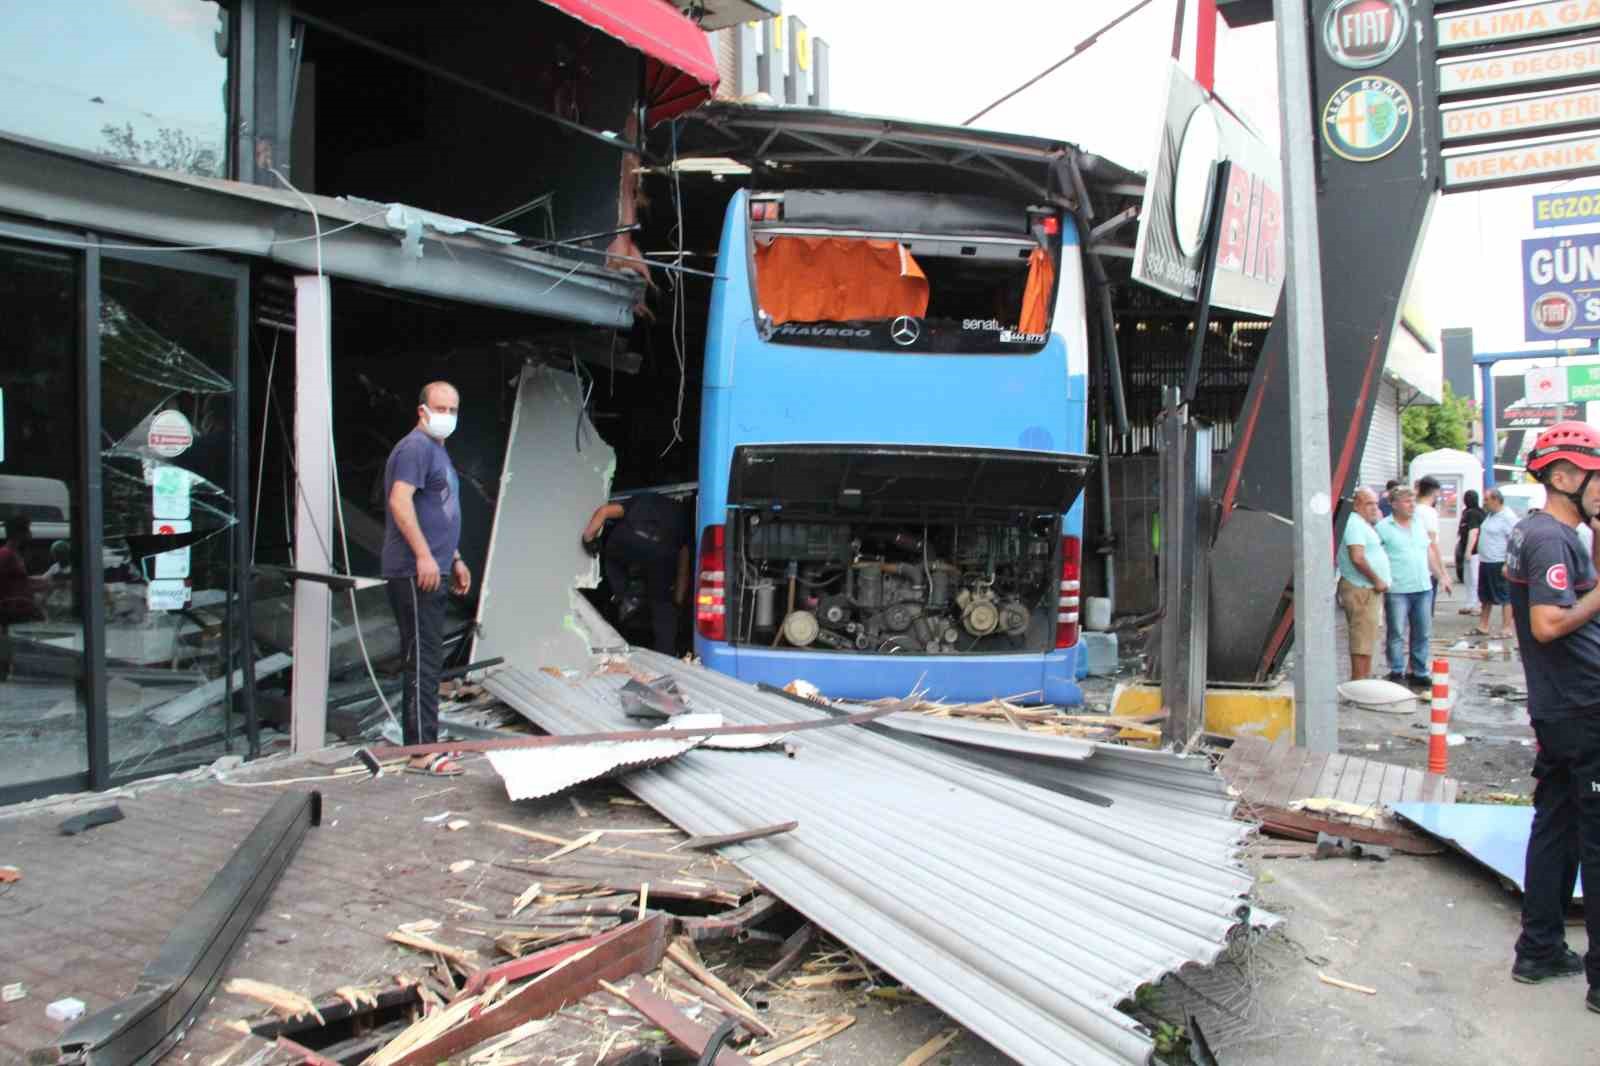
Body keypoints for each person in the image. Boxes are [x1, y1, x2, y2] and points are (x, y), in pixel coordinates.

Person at [1504, 421, 1600, 1001]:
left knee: (1557, 825)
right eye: (1596, 477)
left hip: (1561, 707)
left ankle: (1539, 950)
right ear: (1563, 477)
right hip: (1584, 704)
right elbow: (1547, 624)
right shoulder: (1549, 540)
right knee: (1593, 838)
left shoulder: (1551, 531)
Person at [382, 381, 470, 777]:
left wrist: (454, 558)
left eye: (453, 410)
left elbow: (438, 510)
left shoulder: (438, 451)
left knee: (428, 659)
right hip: (414, 571)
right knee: (422, 661)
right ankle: (422, 753)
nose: (447, 416)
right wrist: (422, 555)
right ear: (422, 410)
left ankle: (426, 743)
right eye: (440, 408)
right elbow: (400, 501)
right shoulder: (415, 448)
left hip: (433, 567)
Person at [581, 492, 691, 655]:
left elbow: (604, 512)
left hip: (626, 542)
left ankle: (625, 596)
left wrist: (588, 538)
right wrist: (677, 601)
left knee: (612, 559)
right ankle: (666, 652)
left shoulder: (642, 499)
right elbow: (684, 565)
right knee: (662, 603)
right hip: (661, 553)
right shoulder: (682, 518)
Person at [1377, 487, 1450, 690]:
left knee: (1422, 632)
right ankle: (1397, 670)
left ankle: (1419, 671)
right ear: (1394, 504)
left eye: (1413, 501)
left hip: (1422, 587)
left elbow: (1428, 553)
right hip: (1398, 589)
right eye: (1407, 501)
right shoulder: (1383, 528)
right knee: (1397, 632)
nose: (1412, 505)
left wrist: (1440, 576)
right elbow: (1375, 556)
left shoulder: (1418, 524)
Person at [1337, 488, 1390, 680]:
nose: (1375, 508)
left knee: (1367, 639)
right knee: (1361, 639)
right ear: (1357, 504)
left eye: (1376, 503)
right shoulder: (1354, 524)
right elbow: (1357, 558)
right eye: (1369, 504)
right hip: (1362, 588)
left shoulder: (1363, 524)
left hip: (1367, 588)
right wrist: (1376, 580)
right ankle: (1359, 682)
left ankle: (1363, 680)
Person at [1476, 489, 1517, 639]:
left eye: (1487, 500)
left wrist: (1508, 563)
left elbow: (1514, 541)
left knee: (1504, 595)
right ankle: (1483, 625)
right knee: (1485, 595)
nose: (1484, 503)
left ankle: (1506, 628)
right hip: (1486, 561)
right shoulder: (1490, 515)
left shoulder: (1507, 517)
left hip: (1499, 561)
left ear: (1496, 500)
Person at [1414, 476, 1454, 613]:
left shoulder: (1412, 509)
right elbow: (1433, 545)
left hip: (1412, 566)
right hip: (1428, 568)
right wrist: (1443, 573)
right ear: (1435, 492)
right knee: (1424, 613)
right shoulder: (1429, 512)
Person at [0, 516, 43, 626]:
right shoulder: (5, 554)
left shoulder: (16, 554)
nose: (30, 534)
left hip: (21, 613)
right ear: (18, 533)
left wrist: (42, 582)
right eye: (27, 530)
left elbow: (19, 581)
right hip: (12, 616)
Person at [1457, 489, 1486, 615]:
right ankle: (1470, 603)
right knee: (1468, 579)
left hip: (1475, 552)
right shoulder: (1468, 512)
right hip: (1468, 550)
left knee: (1475, 579)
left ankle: (1478, 605)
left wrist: (1468, 550)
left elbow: (1474, 532)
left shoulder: (1473, 513)